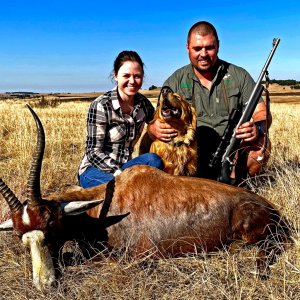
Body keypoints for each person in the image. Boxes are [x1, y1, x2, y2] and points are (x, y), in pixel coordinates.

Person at [148, 21, 272, 184]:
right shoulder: (175, 81)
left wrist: (258, 128)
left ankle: (239, 186)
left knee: (262, 143)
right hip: (192, 153)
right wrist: (153, 129)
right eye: (197, 49)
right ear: (187, 47)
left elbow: (261, 112)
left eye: (209, 47)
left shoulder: (239, 75)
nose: (203, 54)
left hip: (228, 151)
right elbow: (156, 122)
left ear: (218, 46)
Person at [78, 50, 163, 188]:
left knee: (153, 160)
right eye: (126, 76)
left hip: (125, 167)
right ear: (116, 75)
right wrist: (118, 173)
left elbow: (156, 124)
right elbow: (93, 152)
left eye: (137, 76)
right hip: (95, 170)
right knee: (123, 190)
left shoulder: (144, 104)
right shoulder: (101, 105)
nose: (132, 81)